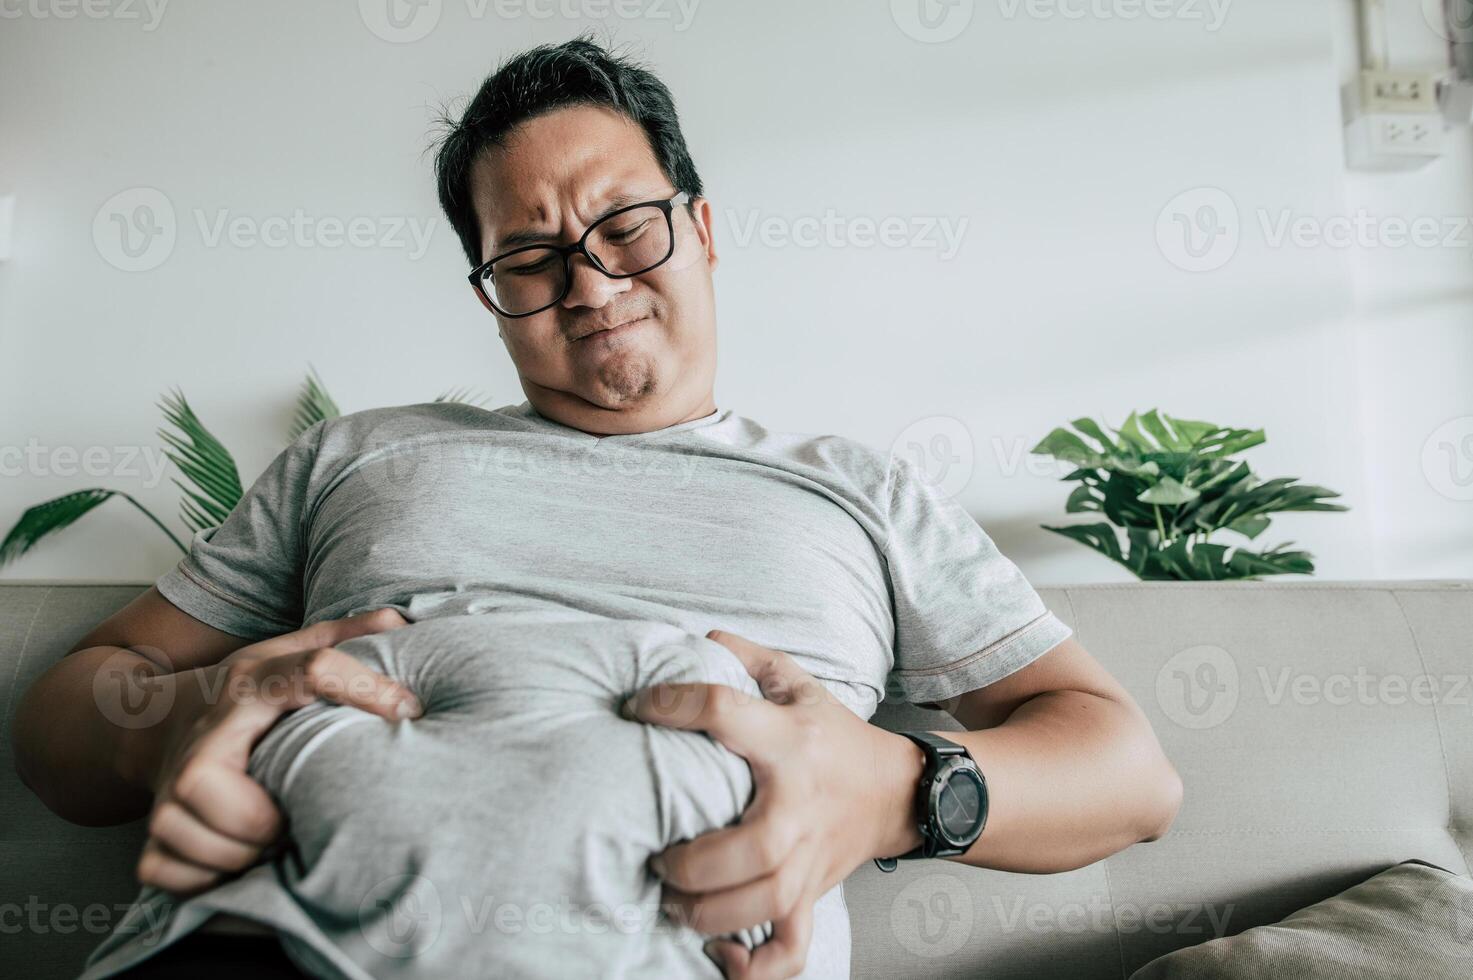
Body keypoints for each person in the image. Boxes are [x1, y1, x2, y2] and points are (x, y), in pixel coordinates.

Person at [12, 36, 1182, 980]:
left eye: (626, 226)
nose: (592, 284)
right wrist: (187, 713)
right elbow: (58, 718)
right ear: (490, 294)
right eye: (530, 256)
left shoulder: (860, 490)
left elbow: (1130, 773)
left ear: (703, 229)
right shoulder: (354, 456)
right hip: (263, 943)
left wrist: (894, 791)